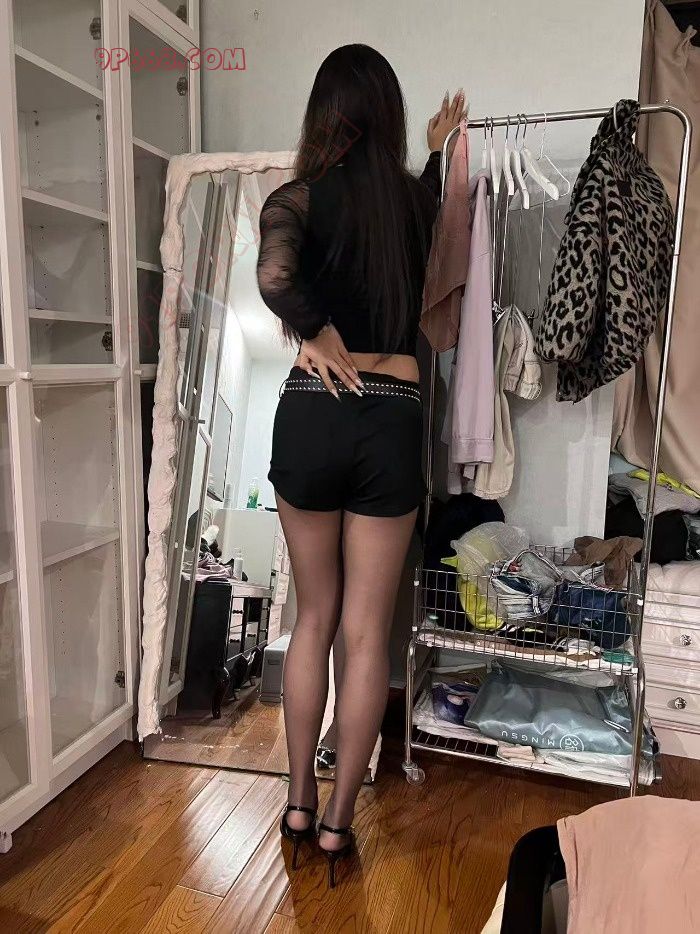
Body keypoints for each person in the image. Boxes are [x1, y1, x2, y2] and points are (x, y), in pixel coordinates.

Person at [257, 43, 464, 888]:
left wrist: (315, 329)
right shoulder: (416, 205)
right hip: (391, 418)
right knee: (368, 632)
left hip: (312, 411)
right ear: (386, 113)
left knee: (313, 619)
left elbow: (275, 277)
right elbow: (431, 207)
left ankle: (298, 803)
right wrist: (439, 154)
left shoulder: (297, 196)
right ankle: (341, 822)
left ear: (323, 113)